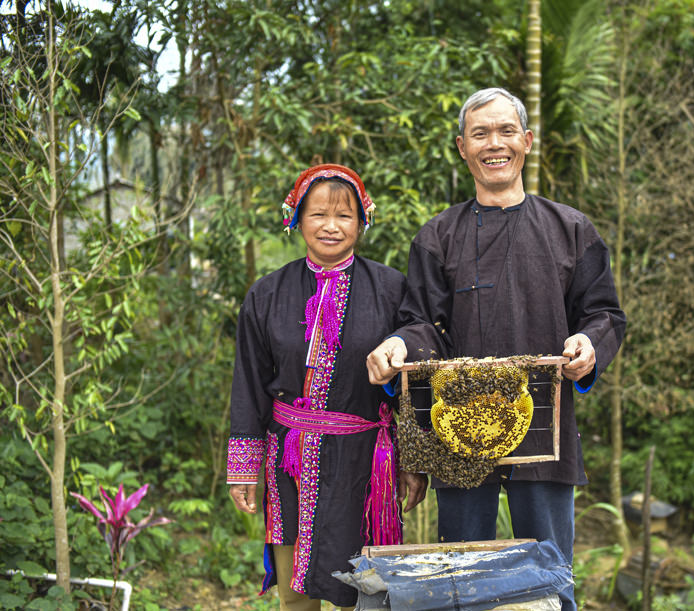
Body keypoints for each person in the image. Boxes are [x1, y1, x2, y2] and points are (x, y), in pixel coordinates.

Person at [366, 88, 627, 611]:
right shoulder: (437, 237)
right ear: (462, 147)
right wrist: (396, 344)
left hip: (543, 427)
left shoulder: (571, 229)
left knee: (549, 575)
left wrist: (589, 344)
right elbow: (422, 324)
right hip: (456, 433)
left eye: (506, 131)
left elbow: (605, 315)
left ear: (527, 142)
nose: (495, 143)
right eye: (480, 134)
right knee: (461, 579)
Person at [227, 164, 428, 611]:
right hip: (289, 464)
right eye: (318, 214)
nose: (331, 226)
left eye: (345, 216)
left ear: (363, 222)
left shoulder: (393, 290)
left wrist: (414, 463)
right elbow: (249, 385)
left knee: (369, 594)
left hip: (367, 465)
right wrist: (244, 468)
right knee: (295, 597)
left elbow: (418, 383)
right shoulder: (266, 295)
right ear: (296, 219)